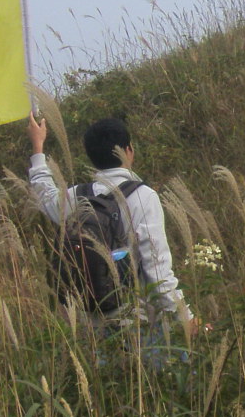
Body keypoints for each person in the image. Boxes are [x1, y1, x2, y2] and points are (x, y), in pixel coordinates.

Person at [27, 113, 195, 342]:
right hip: (139, 323)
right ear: (128, 150)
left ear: (90, 156)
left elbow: (45, 196)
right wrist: (184, 316)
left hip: (90, 321)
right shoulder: (144, 197)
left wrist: (38, 147)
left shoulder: (77, 196)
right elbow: (157, 270)